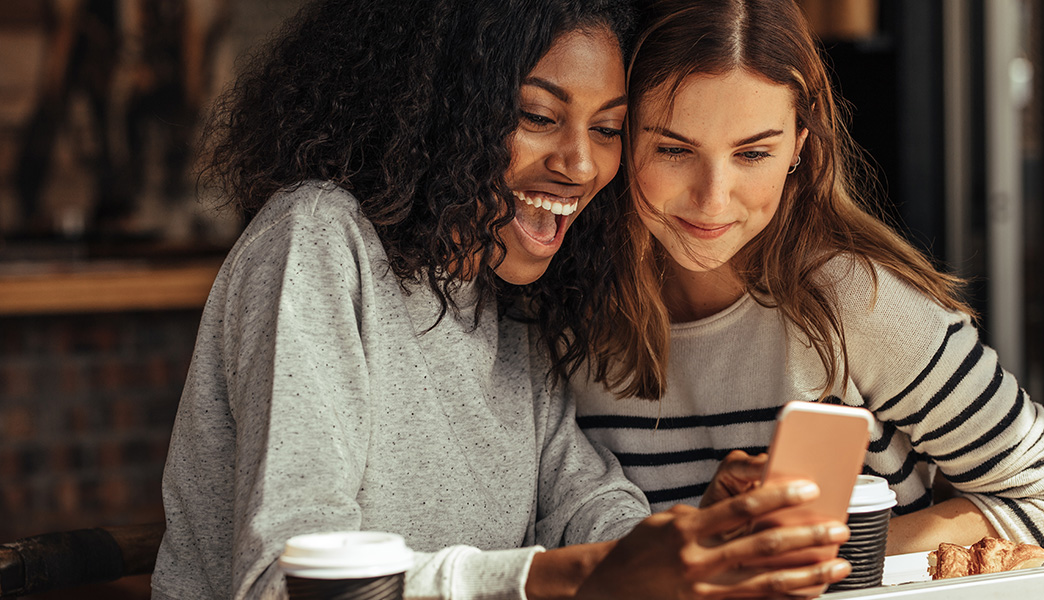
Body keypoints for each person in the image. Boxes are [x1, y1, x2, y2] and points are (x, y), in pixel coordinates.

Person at [152, 0, 853, 599]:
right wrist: (568, 580)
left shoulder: (507, 298)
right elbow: (287, 580)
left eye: (608, 129)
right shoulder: (319, 241)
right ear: (432, 105)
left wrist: (696, 542)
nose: (580, 164)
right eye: (537, 116)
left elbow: (588, 509)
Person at [568, 0, 1044, 557]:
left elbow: (1035, 491)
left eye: (753, 153)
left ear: (798, 144)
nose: (713, 199)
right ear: (619, 136)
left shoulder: (857, 303)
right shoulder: (564, 316)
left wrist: (839, 555)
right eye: (674, 149)